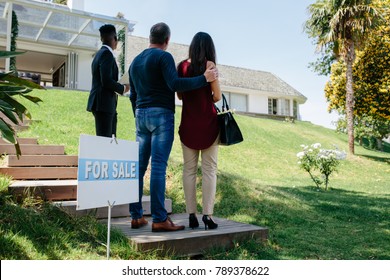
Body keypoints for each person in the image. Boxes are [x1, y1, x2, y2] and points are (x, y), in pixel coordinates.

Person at [128, 22, 218, 232]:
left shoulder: (135, 61)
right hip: (161, 116)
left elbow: (133, 95)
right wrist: (204, 78)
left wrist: (138, 115)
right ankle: (160, 219)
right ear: (167, 40)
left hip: (141, 115)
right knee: (158, 167)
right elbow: (175, 85)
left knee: (139, 169)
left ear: (150, 38)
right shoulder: (164, 57)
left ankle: (136, 216)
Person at [177, 32, 221, 230]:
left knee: (189, 170)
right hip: (209, 125)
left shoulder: (181, 66)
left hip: (188, 124)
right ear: (209, 47)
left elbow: (179, 94)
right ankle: (208, 216)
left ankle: (191, 215)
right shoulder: (209, 65)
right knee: (210, 170)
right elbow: (217, 96)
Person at [87, 24, 130, 137]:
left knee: (108, 139)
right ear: (115, 39)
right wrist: (123, 88)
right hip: (103, 104)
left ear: (101, 39)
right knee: (105, 141)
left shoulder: (99, 54)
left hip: (103, 103)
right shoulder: (106, 54)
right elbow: (106, 80)